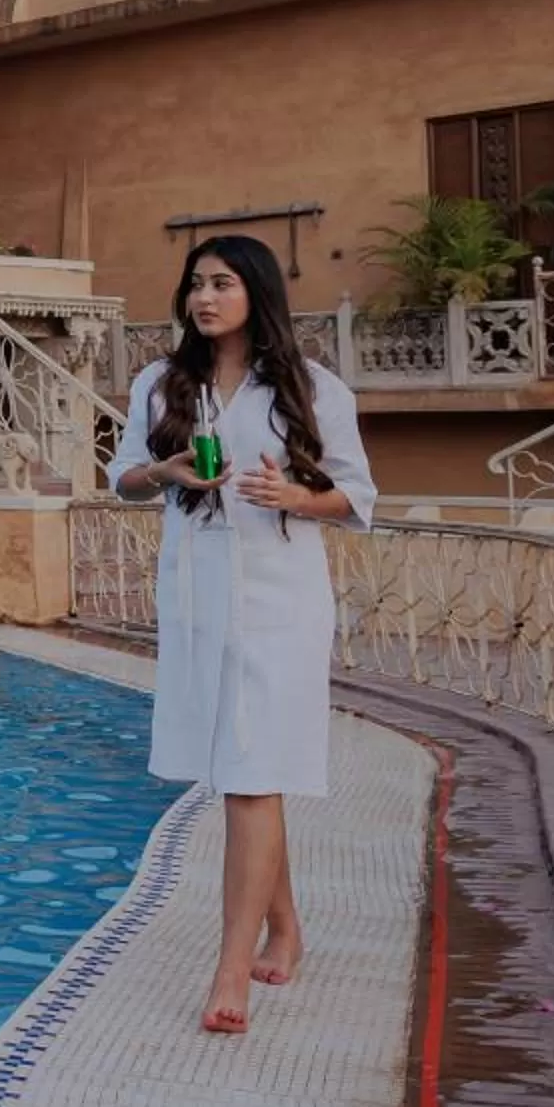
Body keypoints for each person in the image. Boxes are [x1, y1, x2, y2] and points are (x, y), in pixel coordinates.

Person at [107, 233, 376, 1035]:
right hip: (196, 595)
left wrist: (297, 496)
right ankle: (287, 927)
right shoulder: (160, 383)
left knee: (256, 774)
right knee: (239, 772)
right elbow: (122, 479)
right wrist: (166, 471)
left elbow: (358, 496)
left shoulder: (309, 387)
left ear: (256, 291)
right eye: (195, 284)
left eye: (222, 283)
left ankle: (232, 970)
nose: (204, 297)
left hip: (280, 599)